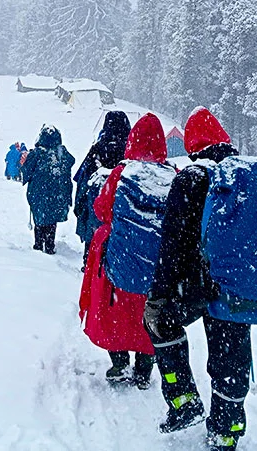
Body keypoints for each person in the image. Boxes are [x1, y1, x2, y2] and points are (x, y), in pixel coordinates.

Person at [143, 107, 248, 449]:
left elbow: (171, 246)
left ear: (192, 144)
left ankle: (183, 399)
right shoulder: (243, 177)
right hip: (235, 285)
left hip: (195, 285)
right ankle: (226, 429)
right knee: (230, 355)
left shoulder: (191, 178)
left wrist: (159, 296)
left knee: (159, 324)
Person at [79, 113, 175, 389]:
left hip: (122, 259)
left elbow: (101, 209)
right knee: (149, 316)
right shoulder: (173, 177)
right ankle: (144, 370)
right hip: (159, 265)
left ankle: (119, 362)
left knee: (117, 314)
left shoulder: (122, 173)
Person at [73, 111, 131, 264]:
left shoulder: (98, 148)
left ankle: (90, 266)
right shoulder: (131, 151)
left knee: (94, 242)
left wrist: (79, 206)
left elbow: (82, 179)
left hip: (97, 207)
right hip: (123, 209)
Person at [22, 124, 74, 255]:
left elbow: (26, 172)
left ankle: (39, 245)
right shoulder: (62, 153)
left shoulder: (37, 153)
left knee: (40, 219)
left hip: (39, 194)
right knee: (51, 220)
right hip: (57, 195)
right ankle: (50, 245)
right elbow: (70, 163)